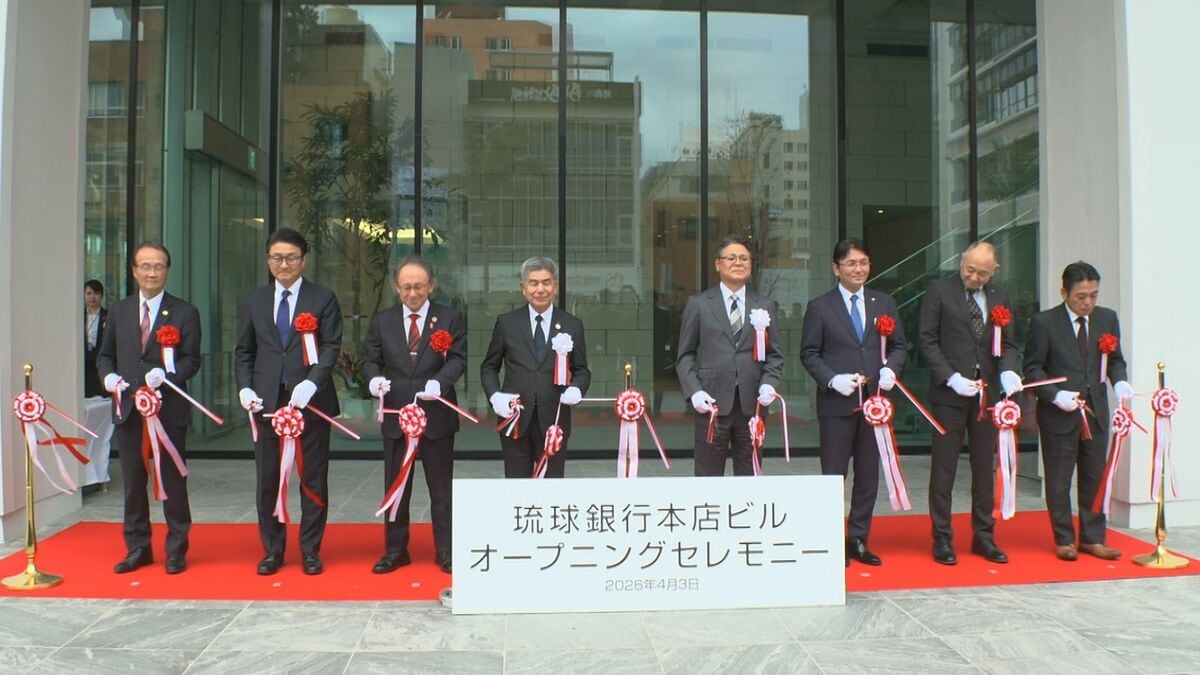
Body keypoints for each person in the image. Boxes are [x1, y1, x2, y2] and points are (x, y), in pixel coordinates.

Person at [235, 228, 343, 576]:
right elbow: (244, 351)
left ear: (303, 260)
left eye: (291, 257)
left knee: (313, 478)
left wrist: (312, 383)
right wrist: (245, 388)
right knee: (268, 479)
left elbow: (331, 346)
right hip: (267, 402)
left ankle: (310, 549)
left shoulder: (322, 298)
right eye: (278, 258)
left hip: (310, 402)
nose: (284, 264)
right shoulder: (255, 301)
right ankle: (273, 549)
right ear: (268, 260)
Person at [800, 237, 907, 566]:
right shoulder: (820, 306)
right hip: (837, 405)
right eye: (851, 263)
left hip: (875, 404)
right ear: (836, 268)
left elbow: (899, 345)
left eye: (863, 263)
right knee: (834, 475)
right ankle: (831, 537)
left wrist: (891, 369)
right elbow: (809, 353)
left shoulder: (883, 302)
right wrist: (832, 379)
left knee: (868, 474)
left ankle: (858, 537)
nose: (858, 269)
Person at [95, 243, 201, 575]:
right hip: (129, 409)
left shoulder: (184, 312)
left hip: (168, 410)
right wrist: (108, 377)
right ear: (134, 271)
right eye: (145, 266)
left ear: (167, 270)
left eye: (158, 266)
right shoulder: (120, 310)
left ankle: (176, 549)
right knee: (133, 481)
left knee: (172, 481)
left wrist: (169, 375)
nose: (151, 272)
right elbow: (105, 355)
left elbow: (192, 360)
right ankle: (138, 547)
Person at [919, 241, 1022, 565]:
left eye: (982, 273)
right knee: (944, 469)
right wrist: (950, 377)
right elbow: (927, 340)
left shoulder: (1000, 296)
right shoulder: (939, 291)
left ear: (995, 271)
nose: (974, 277)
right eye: (969, 269)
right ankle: (942, 537)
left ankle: (984, 536)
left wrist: (1009, 372)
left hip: (987, 394)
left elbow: (1009, 344)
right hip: (950, 394)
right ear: (961, 260)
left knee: (983, 468)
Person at [363, 257, 465, 574]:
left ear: (431, 285)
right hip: (397, 415)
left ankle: (445, 550)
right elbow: (370, 359)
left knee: (441, 490)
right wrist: (373, 380)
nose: (412, 293)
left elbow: (458, 359)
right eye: (406, 287)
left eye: (419, 286)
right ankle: (396, 550)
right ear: (397, 287)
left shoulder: (449, 318)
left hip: (436, 415)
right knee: (396, 488)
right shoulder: (384, 320)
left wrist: (441, 382)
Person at [1024, 261, 1131, 561]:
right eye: (1081, 296)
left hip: (1095, 410)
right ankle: (1064, 538)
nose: (1088, 303)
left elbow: (1115, 360)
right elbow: (1032, 368)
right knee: (1059, 478)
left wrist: (1119, 382)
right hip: (1060, 411)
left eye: (1093, 295)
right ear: (1064, 293)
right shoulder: (1045, 322)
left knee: (1094, 476)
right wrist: (1054, 395)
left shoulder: (1107, 318)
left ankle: (1093, 538)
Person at [675, 235, 784, 476]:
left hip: (752, 405)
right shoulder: (699, 304)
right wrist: (695, 391)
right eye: (731, 258)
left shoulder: (764, 305)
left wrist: (768, 384)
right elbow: (685, 356)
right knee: (708, 477)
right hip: (711, 404)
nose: (738, 263)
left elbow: (775, 355)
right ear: (718, 264)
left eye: (744, 258)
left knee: (750, 476)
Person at [481, 257, 591, 478]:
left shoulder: (571, 324)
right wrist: (495, 396)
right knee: (517, 486)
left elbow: (582, 370)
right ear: (523, 288)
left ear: (555, 286)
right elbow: (489, 367)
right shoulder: (507, 323)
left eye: (546, 282)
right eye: (533, 283)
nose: (540, 289)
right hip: (515, 419)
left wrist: (577, 388)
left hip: (554, 420)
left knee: (551, 487)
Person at [84, 279, 108, 398]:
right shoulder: (79, 315)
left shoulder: (108, 315)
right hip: (84, 360)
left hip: (99, 359)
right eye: (89, 293)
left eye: (96, 293)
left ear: (101, 296)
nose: (92, 297)